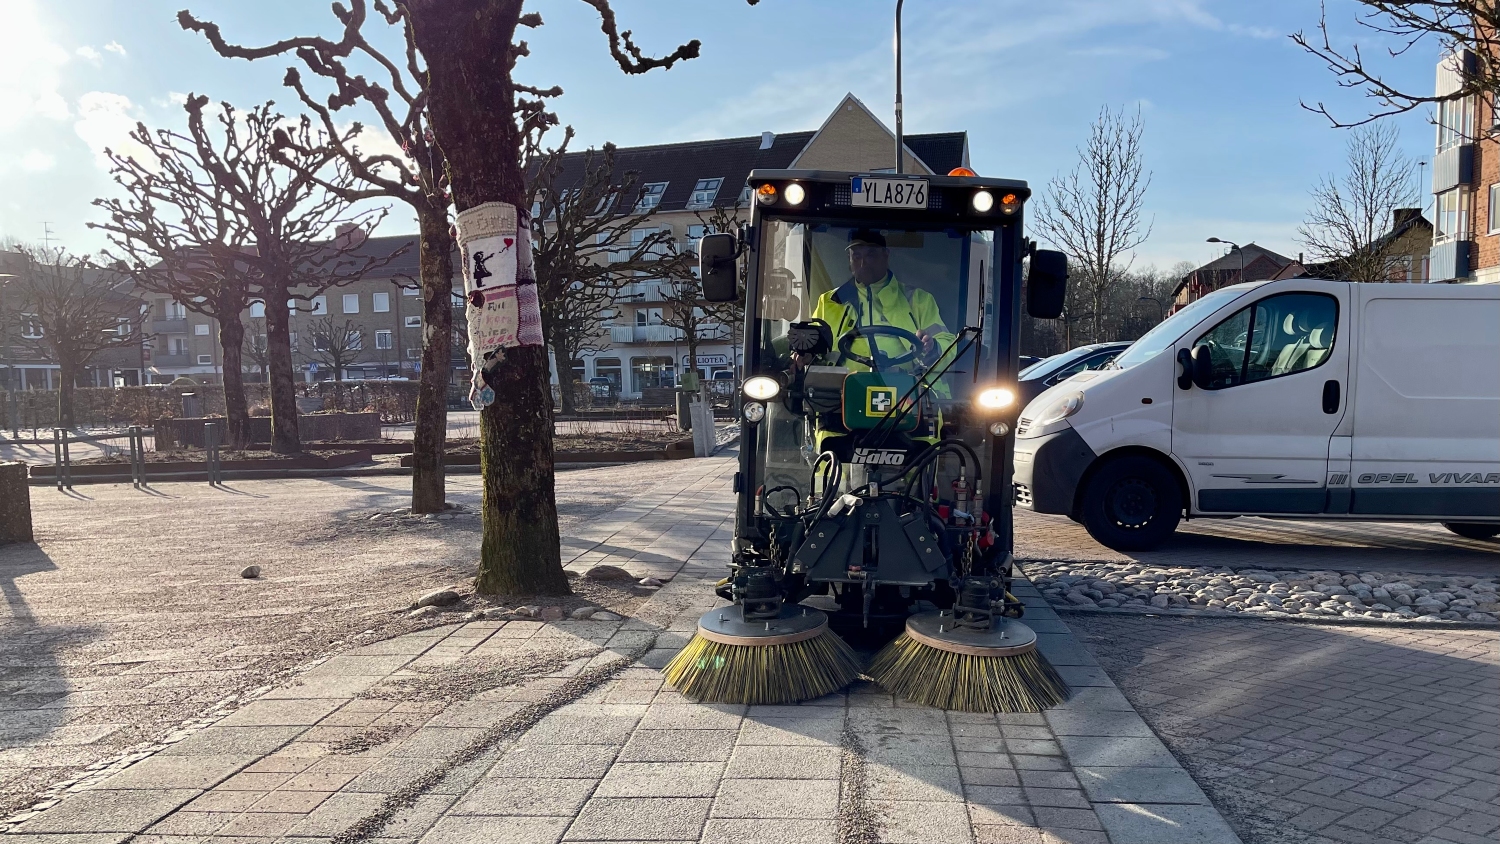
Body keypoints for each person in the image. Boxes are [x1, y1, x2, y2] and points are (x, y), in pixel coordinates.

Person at [795, 229, 956, 376]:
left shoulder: (919, 300)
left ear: (886, 255)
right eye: (857, 256)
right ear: (849, 259)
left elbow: (947, 345)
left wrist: (933, 347)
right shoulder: (829, 302)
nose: (863, 264)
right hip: (839, 398)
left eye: (871, 255)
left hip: (909, 397)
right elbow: (813, 347)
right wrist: (806, 355)